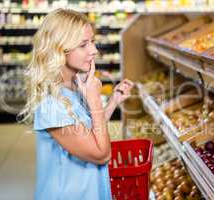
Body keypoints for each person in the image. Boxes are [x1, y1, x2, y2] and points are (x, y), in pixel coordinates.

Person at [19, 8, 134, 200]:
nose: (94, 51)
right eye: (83, 45)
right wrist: (95, 99)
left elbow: (89, 132)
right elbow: (101, 154)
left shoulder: (72, 85)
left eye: (93, 42)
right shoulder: (52, 104)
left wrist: (113, 101)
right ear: (59, 48)